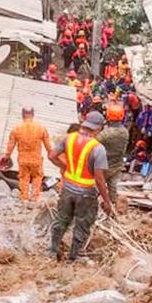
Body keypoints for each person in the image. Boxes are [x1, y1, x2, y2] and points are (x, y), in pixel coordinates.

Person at [48, 111, 114, 262]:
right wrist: (107, 201)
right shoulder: (98, 149)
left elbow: (51, 156)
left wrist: (64, 167)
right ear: (98, 129)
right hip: (86, 193)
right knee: (82, 223)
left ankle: (52, 251)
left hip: (67, 188)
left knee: (61, 220)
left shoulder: (68, 139)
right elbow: (99, 178)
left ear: (84, 123)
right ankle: (74, 256)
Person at [1, 107, 54, 202]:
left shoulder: (16, 129)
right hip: (36, 159)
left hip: (23, 159)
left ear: (22, 115)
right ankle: (35, 196)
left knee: (24, 178)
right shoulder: (41, 128)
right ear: (33, 114)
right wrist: (51, 155)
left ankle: (24, 198)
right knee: (37, 176)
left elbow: (10, 145)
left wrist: (7, 157)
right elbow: (48, 146)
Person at [97, 101, 129, 205]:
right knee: (113, 189)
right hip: (117, 165)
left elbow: (93, 143)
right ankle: (113, 209)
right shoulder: (125, 132)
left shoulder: (106, 134)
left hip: (104, 165)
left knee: (95, 188)